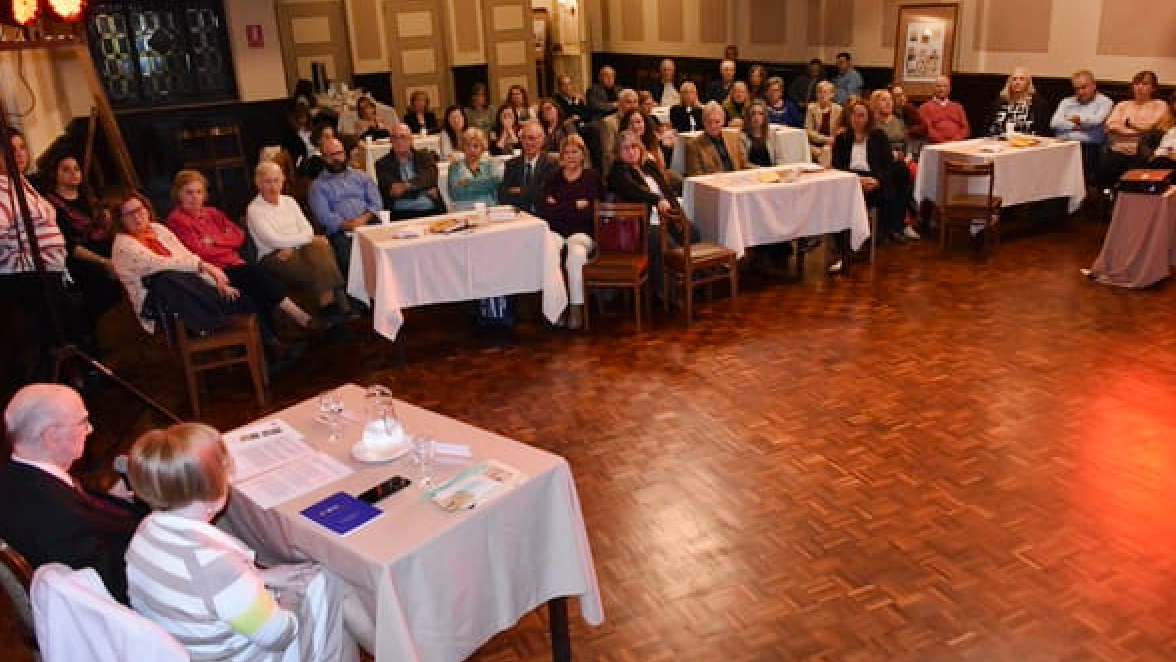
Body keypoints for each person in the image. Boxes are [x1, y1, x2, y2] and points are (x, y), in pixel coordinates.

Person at [124, 423, 359, 662]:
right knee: (328, 579)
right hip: (249, 656)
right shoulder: (216, 565)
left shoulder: (143, 534)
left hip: (187, 652)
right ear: (215, 489)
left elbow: (200, 593)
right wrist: (290, 594)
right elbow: (281, 634)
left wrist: (261, 577)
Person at [0, 384, 142, 604]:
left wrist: (113, 500)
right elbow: (114, 586)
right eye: (82, 422)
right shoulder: (55, 518)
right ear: (52, 436)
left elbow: (77, 508)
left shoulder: (16, 476)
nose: (90, 429)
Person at [166, 170, 325, 336]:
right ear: (179, 194)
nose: (195, 197)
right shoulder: (177, 220)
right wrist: (222, 240)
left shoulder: (212, 213)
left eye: (199, 192)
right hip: (214, 271)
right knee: (255, 275)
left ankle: (275, 343)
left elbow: (239, 236)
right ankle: (300, 318)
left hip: (235, 264)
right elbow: (199, 250)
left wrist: (215, 240)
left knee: (256, 285)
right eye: (189, 192)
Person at [110, 189, 255, 338]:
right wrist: (206, 266)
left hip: (190, 291)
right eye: (128, 214)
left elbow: (185, 257)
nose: (136, 217)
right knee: (166, 277)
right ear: (120, 220)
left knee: (248, 279)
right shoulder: (123, 245)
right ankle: (218, 315)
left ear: (147, 209)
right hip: (161, 305)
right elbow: (160, 263)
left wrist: (216, 281)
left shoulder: (158, 229)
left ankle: (258, 335)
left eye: (139, 210)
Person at [1, 129, 79, 377]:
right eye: (11, 150)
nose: (19, 154)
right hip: (27, 273)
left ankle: (65, 374)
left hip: (48, 268)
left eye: (22, 148)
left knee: (64, 322)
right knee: (46, 336)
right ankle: (49, 383)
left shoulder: (21, 181)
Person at [246, 161, 351, 321]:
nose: (272, 186)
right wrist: (298, 243)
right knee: (321, 247)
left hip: (297, 249)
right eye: (267, 181)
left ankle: (329, 311)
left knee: (319, 245)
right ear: (258, 183)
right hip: (274, 256)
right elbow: (273, 240)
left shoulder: (289, 201)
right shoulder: (254, 209)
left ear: (283, 180)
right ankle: (338, 308)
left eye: (276, 180)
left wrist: (293, 246)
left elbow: (308, 230)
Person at [41, 152, 122, 351]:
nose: (73, 174)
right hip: (80, 263)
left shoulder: (90, 197)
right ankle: (94, 344)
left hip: (107, 255)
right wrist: (104, 262)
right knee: (100, 288)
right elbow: (69, 246)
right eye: (66, 170)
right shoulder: (52, 205)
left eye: (76, 169)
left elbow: (106, 232)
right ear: (55, 174)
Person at [830, 100, 904, 272]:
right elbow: (837, 165)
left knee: (864, 198)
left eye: (862, 115)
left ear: (869, 117)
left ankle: (854, 246)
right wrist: (855, 180)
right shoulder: (842, 138)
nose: (857, 119)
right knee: (840, 201)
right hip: (850, 179)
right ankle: (845, 249)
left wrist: (876, 180)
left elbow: (888, 166)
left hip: (874, 182)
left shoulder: (878, 136)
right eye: (854, 115)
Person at [539, 134, 601, 330]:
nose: (570, 156)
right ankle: (556, 308)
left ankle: (576, 308)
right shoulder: (553, 178)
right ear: (561, 156)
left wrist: (560, 205)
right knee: (549, 252)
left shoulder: (592, 177)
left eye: (575, 151)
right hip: (556, 231)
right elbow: (546, 211)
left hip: (584, 233)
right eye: (566, 152)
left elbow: (592, 213)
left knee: (576, 254)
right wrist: (576, 205)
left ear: (582, 155)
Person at [308, 136, 383, 277]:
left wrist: (364, 218)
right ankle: (356, 296)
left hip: (369, 221)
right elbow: (324, 216)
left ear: (345, 153)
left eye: (339, 153)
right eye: (330, 155)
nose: (336, 158)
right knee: (349, 261)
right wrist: (347, 224)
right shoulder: (318, 186)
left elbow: (376, 202)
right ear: (323, 158)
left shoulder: (361, 176)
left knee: (385, 250)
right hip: (340, 231)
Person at [1102, 70, 1172, 189]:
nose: (1140, 87)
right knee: (1106, 168)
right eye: (1137, 83)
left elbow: (1152, 128)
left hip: (1142, 154)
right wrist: (1138, 130)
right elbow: (1111, 126)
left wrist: (1127, 126)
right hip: (1117, 150)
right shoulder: (1122, 105)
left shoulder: (1160, 105)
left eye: (1145, 84)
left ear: (1153, 88)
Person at [869, 89, 919, 240]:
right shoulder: (872, 123)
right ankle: (893, 225)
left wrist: (908, 155)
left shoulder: (899, 121)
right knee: (897, 176)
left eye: (890, 99)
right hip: (881, 161)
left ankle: (900, 224)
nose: (888, 102)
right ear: (875, 103)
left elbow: (907, 143)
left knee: (905, 172)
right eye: (884, 100)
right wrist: (890, 155)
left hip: (901, 160)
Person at [1050, 70, 1113, 187]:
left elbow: (1096, 121)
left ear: (1094, 85)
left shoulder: (1105, 102)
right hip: (1063, 145)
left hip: (1089, 148)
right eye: (1076, 89)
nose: (1080, 92)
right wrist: (1076, 125)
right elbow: (1054, 123)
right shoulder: (1066, 102)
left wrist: (1073, 120)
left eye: (1084, 87)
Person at [375, 122, 445, 219]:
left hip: (430, 210)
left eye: (403, 137)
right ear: (390, 140)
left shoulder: (425, 156)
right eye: (394, 137)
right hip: (401, 214)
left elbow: (430, 178)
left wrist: (405, 186)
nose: (399, 141)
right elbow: (392, 191)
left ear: (411, 139)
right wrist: (423, 189)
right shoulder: (382, 164)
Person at [498, 121, 559, 214]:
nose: (528, 142)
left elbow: (544, 194)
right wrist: (531, 190)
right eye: (524, 138)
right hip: (518, 216)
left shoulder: (551, 164)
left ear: (542, 140)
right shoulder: (511, 164)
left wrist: (520, 190)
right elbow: (503, 195)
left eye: (532, 138)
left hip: (544, 215)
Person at [686, 101, 750, 176]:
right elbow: (695, 174)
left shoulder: (733, 137)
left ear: (723, 121)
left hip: (737, 181)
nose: (713, 126)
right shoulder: (694, 145)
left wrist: (761, 171)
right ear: (703, 122)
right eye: (709, 122)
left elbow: (743, 164)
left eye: (717, 122)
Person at [984, 67, 1050, 136]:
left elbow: (1042, 130)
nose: (1017, 82)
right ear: (1009, 82)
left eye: (1021, 79)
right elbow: (987, 125)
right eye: (1014, 79)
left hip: (1026, 142)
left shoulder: (1037, 103)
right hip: (997, 141)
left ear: (1028, 83)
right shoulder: (1000, 101)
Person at [448, 128, 502, 210]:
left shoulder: (491, 163)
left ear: (482, 148)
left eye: (476, 146)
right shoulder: (455, 166)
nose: (471, 150)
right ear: (463, 147)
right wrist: (484, 184)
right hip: (463, 209)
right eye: (468, 145)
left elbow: (495, 182)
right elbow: (455, 193)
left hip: (489, 208)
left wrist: (467, 182)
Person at [919, 75, 970, 144]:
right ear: (933, 88)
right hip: (936, 145)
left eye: (945, 86)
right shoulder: (924, 107)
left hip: (957, 144)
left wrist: (955, 140)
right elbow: (927, 129)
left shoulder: (958, 106)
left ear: (949, 89)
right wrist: (944, 142)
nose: (942, 89)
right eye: (938, 86)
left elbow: (966, 129)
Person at [599, 88, 639, 176]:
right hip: (619, 170)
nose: (633, 105)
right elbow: (608, 154)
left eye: (635, 102)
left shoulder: (639, 121)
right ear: (619, 104)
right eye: (628, 102)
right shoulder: (609, 123)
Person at [805, 80, 843, 166]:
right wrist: (826, 139)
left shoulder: (838, 109)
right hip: (815, 144)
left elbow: (841, 129)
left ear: (832, 94)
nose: (822, 95)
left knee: (828, 152)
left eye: (825, 92)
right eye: (819, 92)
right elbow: (808, 131)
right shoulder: (811, 108)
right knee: (822, 153)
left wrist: (833, 139)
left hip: (833, 144)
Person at [889, 83, 927, 154]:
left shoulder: (910, 108)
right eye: (898, 96)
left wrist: (909, 131)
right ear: (891, 98)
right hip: (897, 144)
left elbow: (923, 126)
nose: (902, 98)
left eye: (903, 94)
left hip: (912, 140)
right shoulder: (889, 111)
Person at [741, 101, 775, 167]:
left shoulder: (771, 134)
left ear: (765, 117)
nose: (757, 117)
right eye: (753, 114)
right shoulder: (742, 137)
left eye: (760, 114)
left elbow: (777, 158)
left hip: (772, 172)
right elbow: (744, 163)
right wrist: (762, 170)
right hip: (752, 173)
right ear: (748, 117)